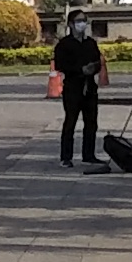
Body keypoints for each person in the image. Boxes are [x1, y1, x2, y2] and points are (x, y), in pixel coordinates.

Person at [54, 15, 104, 167]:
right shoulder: (64, 44)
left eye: (84, 21)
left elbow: (98, 62)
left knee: (91, 122)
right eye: (78, 21)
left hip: (89, 87)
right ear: (71, 24)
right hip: (72, 87)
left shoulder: (90, 43)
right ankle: (66, 157)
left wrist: (92, 68)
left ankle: (89, 154)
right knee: (71, 122)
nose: (82, 24)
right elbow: (60, 65)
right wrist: (80, 69)